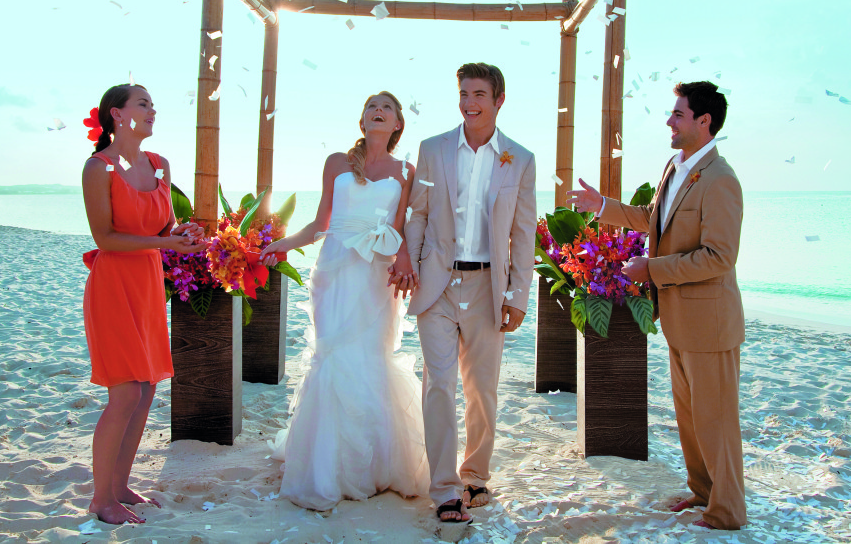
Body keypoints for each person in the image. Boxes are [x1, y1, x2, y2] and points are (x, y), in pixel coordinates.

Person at [566, 80, 747, 531]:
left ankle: (727, 511)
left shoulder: (722, 181)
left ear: (704, 122)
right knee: (690, 418)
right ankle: (703, 493)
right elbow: (653, 219)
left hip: (712, 323)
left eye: (678, 114)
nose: (669, 120)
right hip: (681, 323)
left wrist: (653, 270)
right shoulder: (677, 167)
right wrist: (601, 205)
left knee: (716, 420)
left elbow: (720, 257)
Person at [260, 91, 429, 511]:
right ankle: (325, 465)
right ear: (363, 119)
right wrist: (281, 244)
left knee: (371, 357)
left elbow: (402, 226)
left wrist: (405, 259)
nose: (378, 111)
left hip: (377, 273)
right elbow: (321, 224)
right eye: (372, 106)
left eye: (387, 108)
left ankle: (376, 464)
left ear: (397, 125)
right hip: (334, 271)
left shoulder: (407, 170)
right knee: (333, 356)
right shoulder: (337, 162)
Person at [390, 62, 536, 524]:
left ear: (498, 100)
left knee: (482, 390)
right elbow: (418, 212)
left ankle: (474, 476)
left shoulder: (521, 158)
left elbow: (524, 234)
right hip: (437, 281)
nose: (469, 102)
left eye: (478, 94)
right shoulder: (433, 149)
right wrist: (408, 260)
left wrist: (517, 295)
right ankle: (447, 491)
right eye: (463, 93)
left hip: (489, 285)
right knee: (440, 386)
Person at [81, 83, 206, 525]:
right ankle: (100, 499)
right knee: (125, 392)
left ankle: (119, 487)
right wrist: (164, 240)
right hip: (114, 283)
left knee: (147, 389)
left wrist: (185, 234)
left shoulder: (160, 165)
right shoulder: (98, 168)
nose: (153, 110)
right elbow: (105, 237)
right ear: (117, 114)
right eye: (143, 103)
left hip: (149, 283)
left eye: (153, 103)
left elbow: (165, 224)